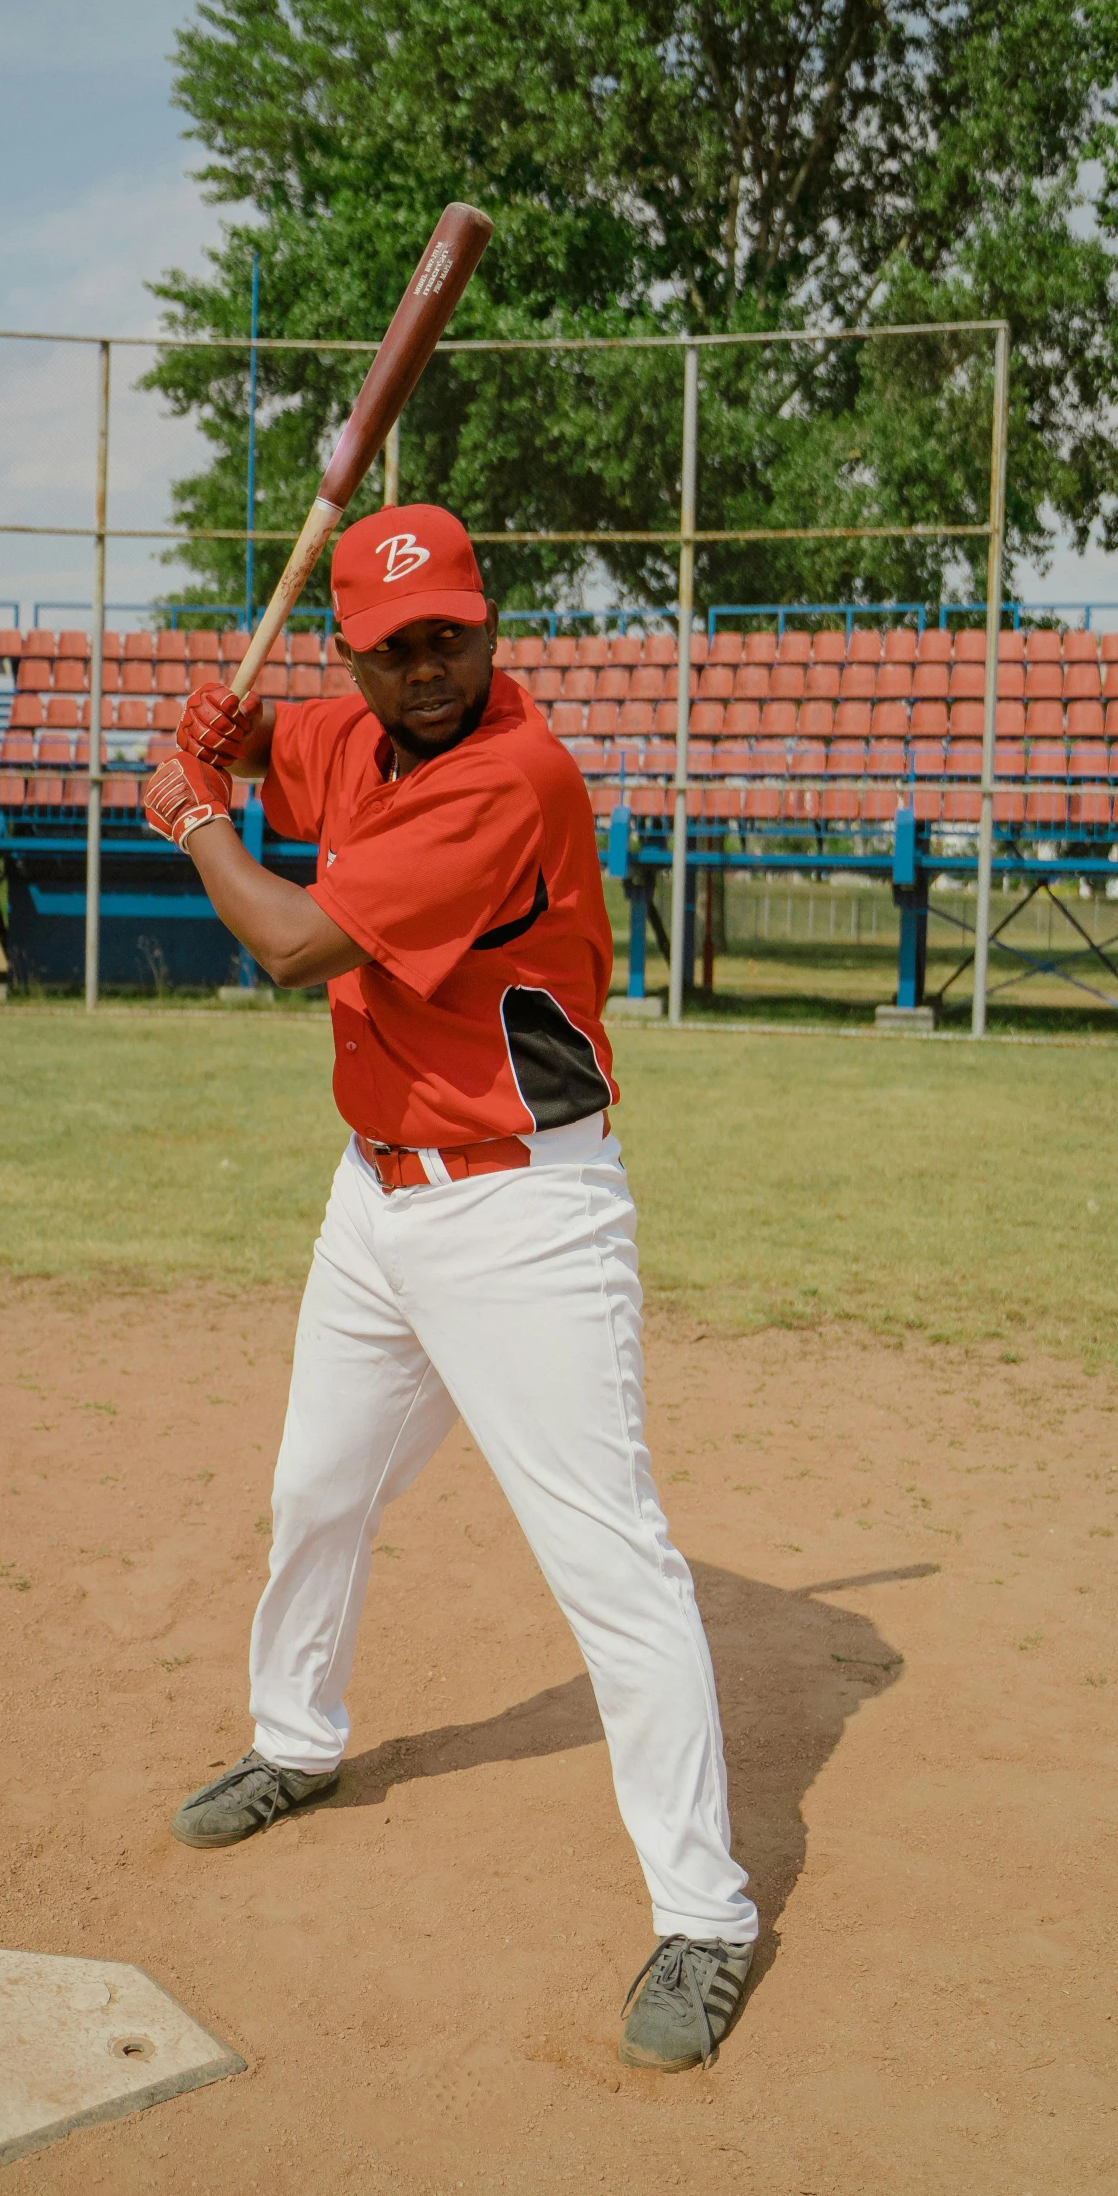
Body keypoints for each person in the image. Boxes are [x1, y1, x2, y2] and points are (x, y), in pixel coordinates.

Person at [141, 502, 757, 2071]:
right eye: (394, 645)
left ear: (491, 626)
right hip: (377, 1198)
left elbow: (288, 945)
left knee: (610, 1563)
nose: (428, 669)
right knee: (316, 1491)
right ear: (350, 647)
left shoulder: (509, 775)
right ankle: (297, 1740)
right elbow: (301, 753)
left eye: (451, 635)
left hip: (523, 1218)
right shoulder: (359, 727)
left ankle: (706, 1915)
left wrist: (192, 809)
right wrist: (243, 731)